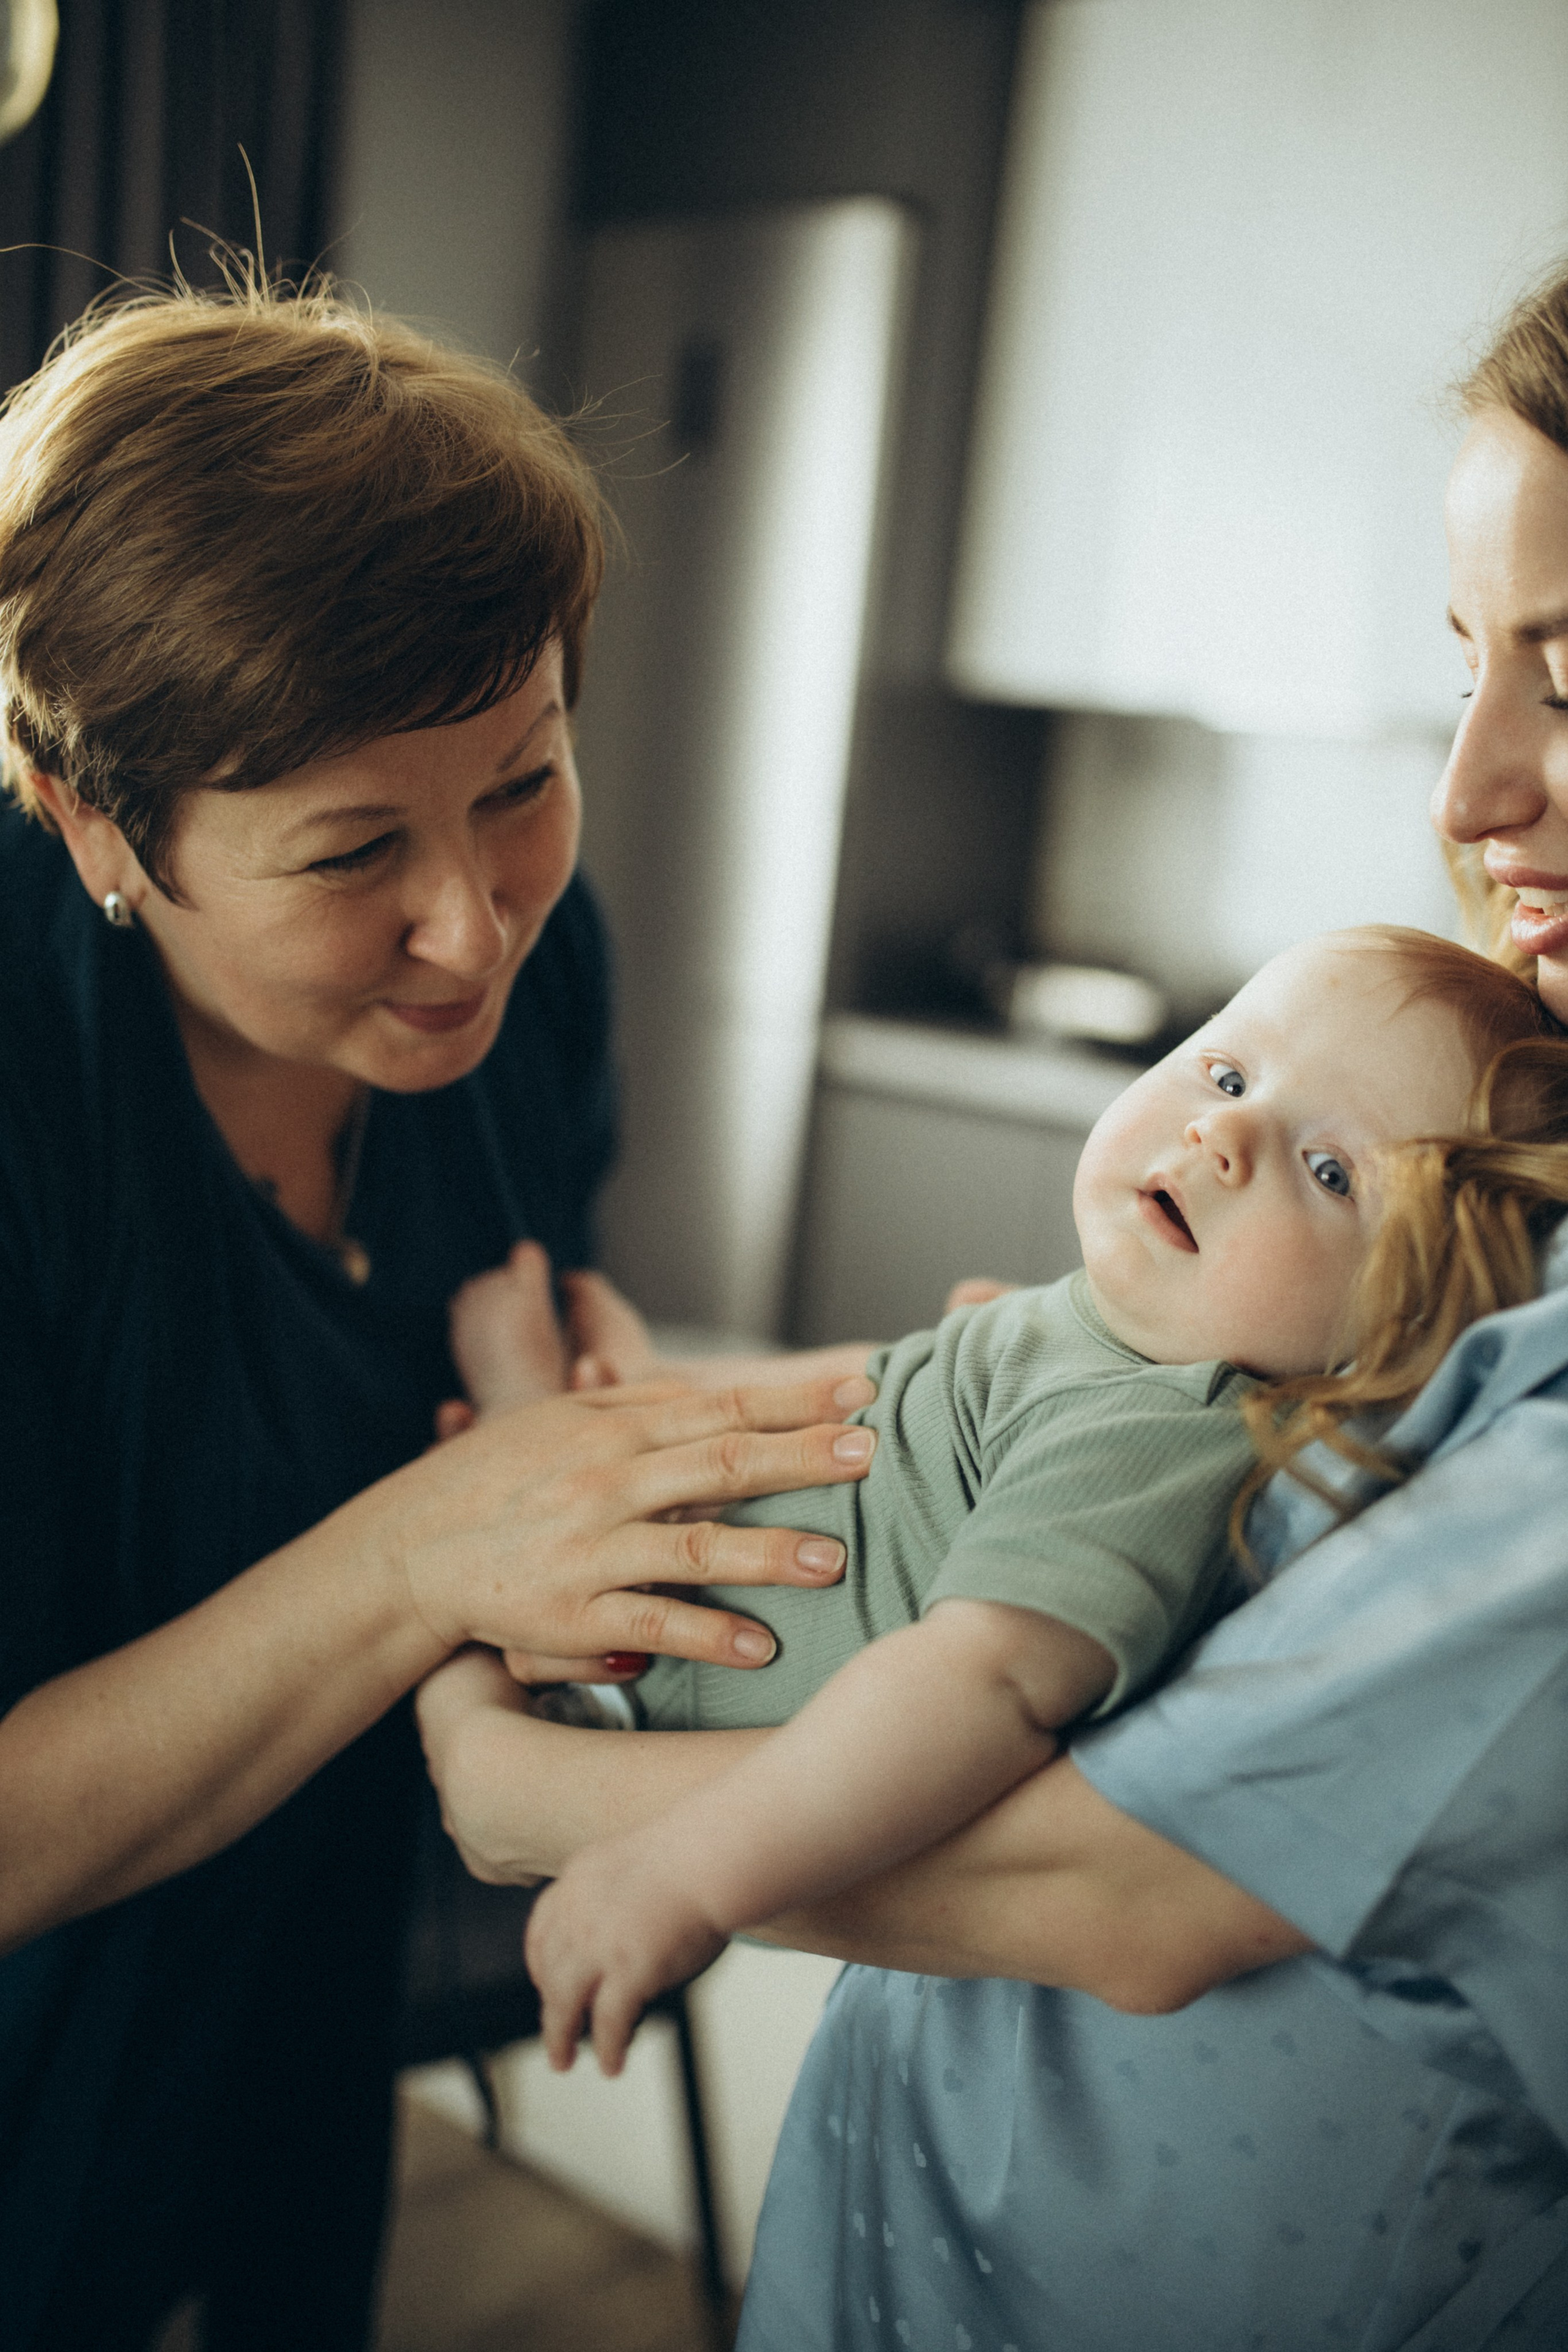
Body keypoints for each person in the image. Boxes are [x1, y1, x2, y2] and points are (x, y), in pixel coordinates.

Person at [420, 264, 1568, 2351]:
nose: (1467, 792)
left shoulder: (1247, 1392)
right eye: (1471, 658)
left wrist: (556, 1813)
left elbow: (1122, 1875)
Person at [0, 280, 886, 2352]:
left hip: (311, 1969)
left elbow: (501, 1305)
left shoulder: (534, 980)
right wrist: (432, 1547)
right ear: (93, 821)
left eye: (523, 782)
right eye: (348, 854)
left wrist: (566, 1380)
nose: (472, 927)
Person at [477, 927, 1544, 2074]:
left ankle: (506, 1421)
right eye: (1230, 1074)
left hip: (630, 1703)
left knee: (455, 1429)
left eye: (1331, 1172)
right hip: (640, 1596)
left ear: (1401, 1324)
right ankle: (524, 1417)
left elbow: (982, 1682)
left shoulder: (1154, 1431)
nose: (1223, 1135)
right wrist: (644, 1393)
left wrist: (684, 1870)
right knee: (529, 1397)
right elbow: (865, 1397)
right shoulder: (1112, 1334)